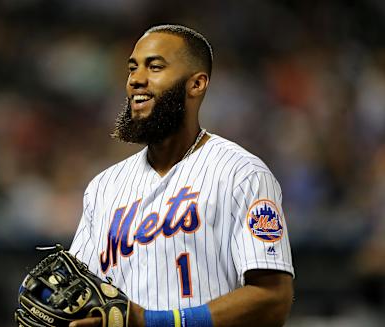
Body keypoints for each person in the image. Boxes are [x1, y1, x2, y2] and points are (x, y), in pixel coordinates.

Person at [68, 24, 294, 327]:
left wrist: (154, 322)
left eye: (155, 67)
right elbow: (80, 293)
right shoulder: (103, 187)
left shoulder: (240, 173)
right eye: (132, 68)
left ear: (196, 84)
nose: (136, 79)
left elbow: (273, 299)